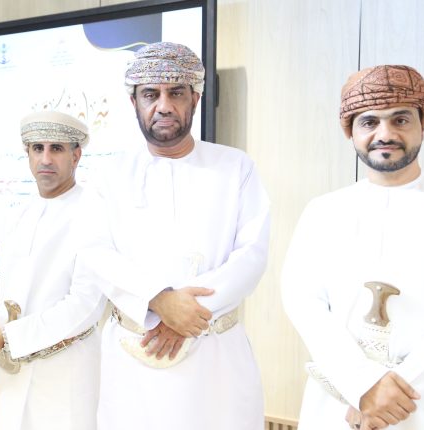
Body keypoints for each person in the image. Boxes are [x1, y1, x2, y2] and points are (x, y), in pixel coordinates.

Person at [80, 42, 270, 429]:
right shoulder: (109, 176)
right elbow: (96, 252)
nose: (163, 106)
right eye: (151, 94)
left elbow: (251, 255)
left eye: (176, 93)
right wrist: (159, 300)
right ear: (134, 102)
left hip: (216, 358)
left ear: (195, 98)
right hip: (134, 359)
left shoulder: (235, 167)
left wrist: (185, 314)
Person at [282, 65, 424, 429]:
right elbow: (303, 302)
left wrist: (385, 397)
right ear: (350, 131)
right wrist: (360, 385)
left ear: (423, 125)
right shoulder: (323, 211)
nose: (386, 134)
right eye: (369, 122)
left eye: (401, 120)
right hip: (339, 401)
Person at [0, 110, 105, 430]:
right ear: (27, 154)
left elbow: (85, 305)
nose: (46, 159)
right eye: (37, 148)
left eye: (57, 149)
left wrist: (7, 337)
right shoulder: (22, 213)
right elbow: (19, 289)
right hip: (14, 377)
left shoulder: (94, 212)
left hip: (65, 375)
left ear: (76, 155)